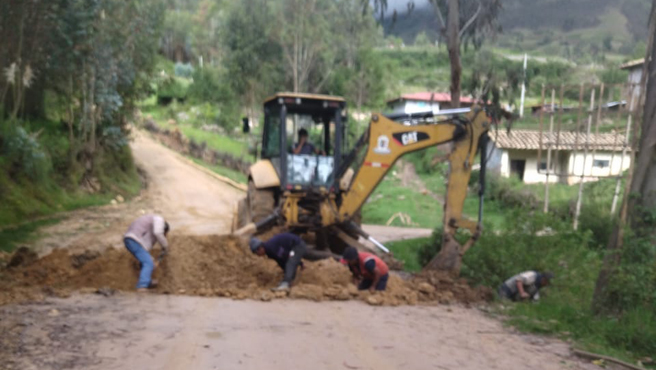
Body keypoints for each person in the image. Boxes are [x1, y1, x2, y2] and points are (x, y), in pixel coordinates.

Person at [123, 214, 170, 292]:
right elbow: (158, 233)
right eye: (164, 234)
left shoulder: (149, 228)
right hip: (134, 240)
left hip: (130, 240)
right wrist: (165, 246)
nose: (164, 236)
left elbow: (144, 251)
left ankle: (147, 282)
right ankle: (142, 285)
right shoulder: (159, 220)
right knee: (148, 263)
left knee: (147, 262)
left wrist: (153, 261)